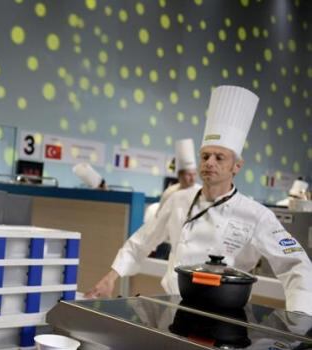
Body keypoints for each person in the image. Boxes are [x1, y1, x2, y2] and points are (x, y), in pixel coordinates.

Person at [85, 85, 312, 316]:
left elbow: (296, 264)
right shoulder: (178, 201)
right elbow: (141, 242)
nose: (209, 162)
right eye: (205, 156)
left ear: (237, 166)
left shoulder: (256, 214)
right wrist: (111, 277)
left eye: (219, 157)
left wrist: (300, 319)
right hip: (174, 311)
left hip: (227, 317)